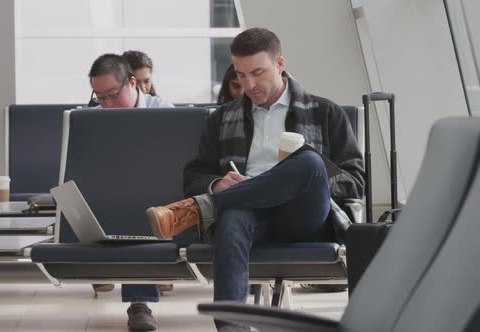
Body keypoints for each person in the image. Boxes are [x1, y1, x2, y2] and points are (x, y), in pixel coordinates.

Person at [146, 28, 364, 331]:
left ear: (280, 64)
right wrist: (214, 183)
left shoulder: (325, 113)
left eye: (257, 73)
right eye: (241, 75)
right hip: (249, 216)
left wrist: (303, 178)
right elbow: (194, 173)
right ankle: (231, 327)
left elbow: (355, 180)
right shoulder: (222, 119)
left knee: (310, 161)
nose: (249, 84)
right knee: (233, 216)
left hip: (305, 217)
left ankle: (201, 208)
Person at [88, 53, 173, 332]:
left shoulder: (166, 113)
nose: (107, 104)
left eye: (113, 94)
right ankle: (134, 298)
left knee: (143, 205)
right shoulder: (90, 120)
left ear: (133, 83)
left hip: (161, 201)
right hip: (112, 200)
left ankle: (139, 303)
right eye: (100, 97)